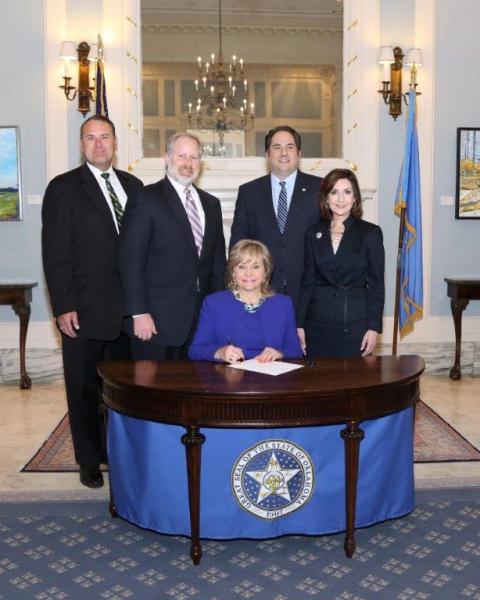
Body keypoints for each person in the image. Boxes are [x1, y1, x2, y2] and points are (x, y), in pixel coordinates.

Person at [42, 114, 143, 488]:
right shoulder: (64, 188)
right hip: (83, 310)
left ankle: (113, 453)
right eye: (90, 138)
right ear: (81, 145)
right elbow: (55, 253)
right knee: (82, 388)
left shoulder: (134, 186)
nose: (99, 144)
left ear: (116, 143)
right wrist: (63, 305)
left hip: (127, 313)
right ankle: (87, 460)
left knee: (120, 391)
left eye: (105, 137)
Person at [119, 132, 226, 360]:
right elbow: (130, 261)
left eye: (194, 157)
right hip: (155, 323)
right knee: (152, 393)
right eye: (181, 156)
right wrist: (139, 313)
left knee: (193, 391)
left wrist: (218, 312)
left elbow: (217, 266)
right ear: (167, 158)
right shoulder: (145, 199)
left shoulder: (211, 205)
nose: (188, 164)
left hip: (200, 323)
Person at [229, 126, 322, 309]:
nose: (284, 153)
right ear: (267, 155)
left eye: (290, 146)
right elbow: (238, 245)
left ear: (299, 153)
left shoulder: (320, 189)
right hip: (261, 292)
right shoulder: (249, 192)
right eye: (277, 147)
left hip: (308, 292)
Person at [297, 168, 385, 358]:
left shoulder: (370, 233)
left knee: (354, 383)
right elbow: (307, 282)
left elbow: (377, 284)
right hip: (317, 324)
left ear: (355, 198)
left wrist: (374, 327)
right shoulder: (313, 233)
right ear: (326, 199)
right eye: (334, 192)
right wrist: (300, 324)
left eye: (347, 192)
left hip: (355, 325)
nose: (341, 199)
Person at [189, 239, 302, 362]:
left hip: (271, 377)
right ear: (233, 272)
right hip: (229, 377)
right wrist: (220, 352)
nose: (248, 273)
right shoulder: (213, 303)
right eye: (241, 266)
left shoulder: (283, 304)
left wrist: (279, 353)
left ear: (266, 271)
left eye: (256, 266)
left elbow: (295, 350)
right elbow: (195, 350)